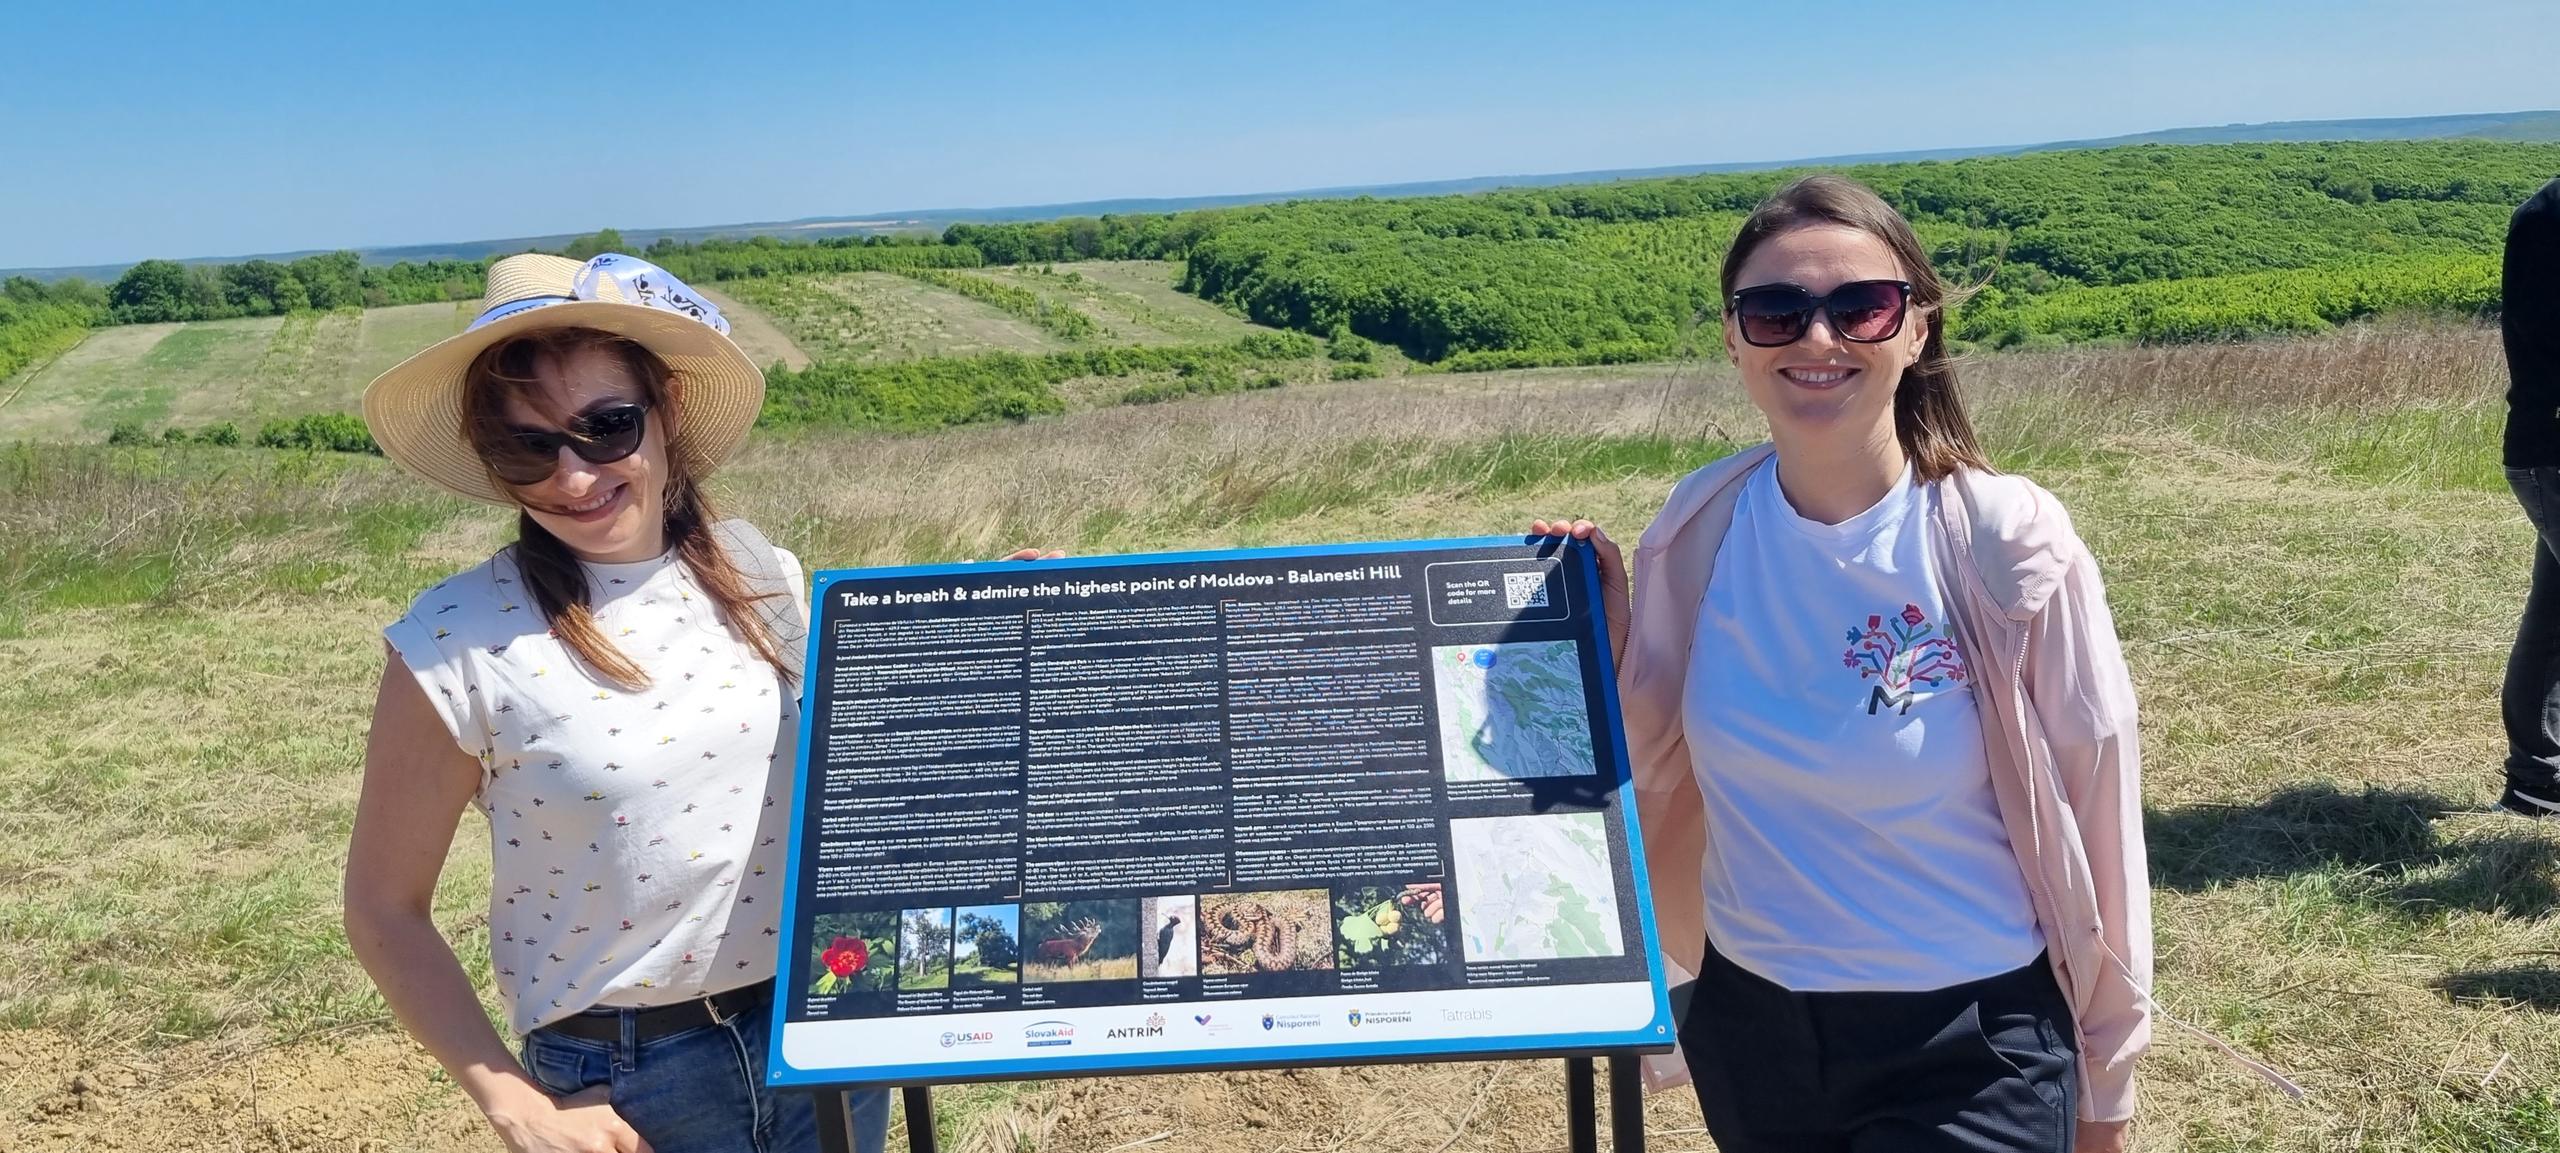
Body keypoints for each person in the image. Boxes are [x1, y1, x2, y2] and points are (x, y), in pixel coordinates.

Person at [345, 252, 1040, 1153]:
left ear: (664, 408)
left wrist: (1004, 624)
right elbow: (381, 905)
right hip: (628, 1080)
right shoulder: (456, 641)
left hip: (820, 1020)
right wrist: (513, 1101)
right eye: (529, 446)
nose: (574, 474)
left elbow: (849, 756)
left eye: (606, 426)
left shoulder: (759, 569)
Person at [1534, 174, 2150, 1153]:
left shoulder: (2005, 541)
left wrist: (2105, 1090)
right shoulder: (1697, 528)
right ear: (1734, 341)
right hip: (1754, 1027)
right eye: (1776, 311)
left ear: (1915, 329)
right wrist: (1603, 636)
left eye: (1860, 306)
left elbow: (2099, 800)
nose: (1818, 340)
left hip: (1968, 1037)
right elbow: (1650, 756)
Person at [2499, 178, 2560, 816]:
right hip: (2555, 446)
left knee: (2551, 622)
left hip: (2546, 445)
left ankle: (2536, 781)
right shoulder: (2547, 218)